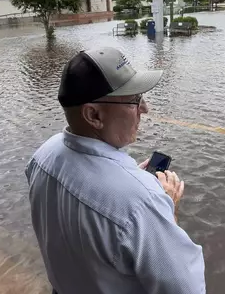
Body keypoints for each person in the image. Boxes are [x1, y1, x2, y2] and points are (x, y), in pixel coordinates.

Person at [26, 47, 205, 294]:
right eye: (134, 100)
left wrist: (131, 175)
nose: (145, 108)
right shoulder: (142, 202)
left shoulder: (42, 156)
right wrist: (167, 210)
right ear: (94, 115)